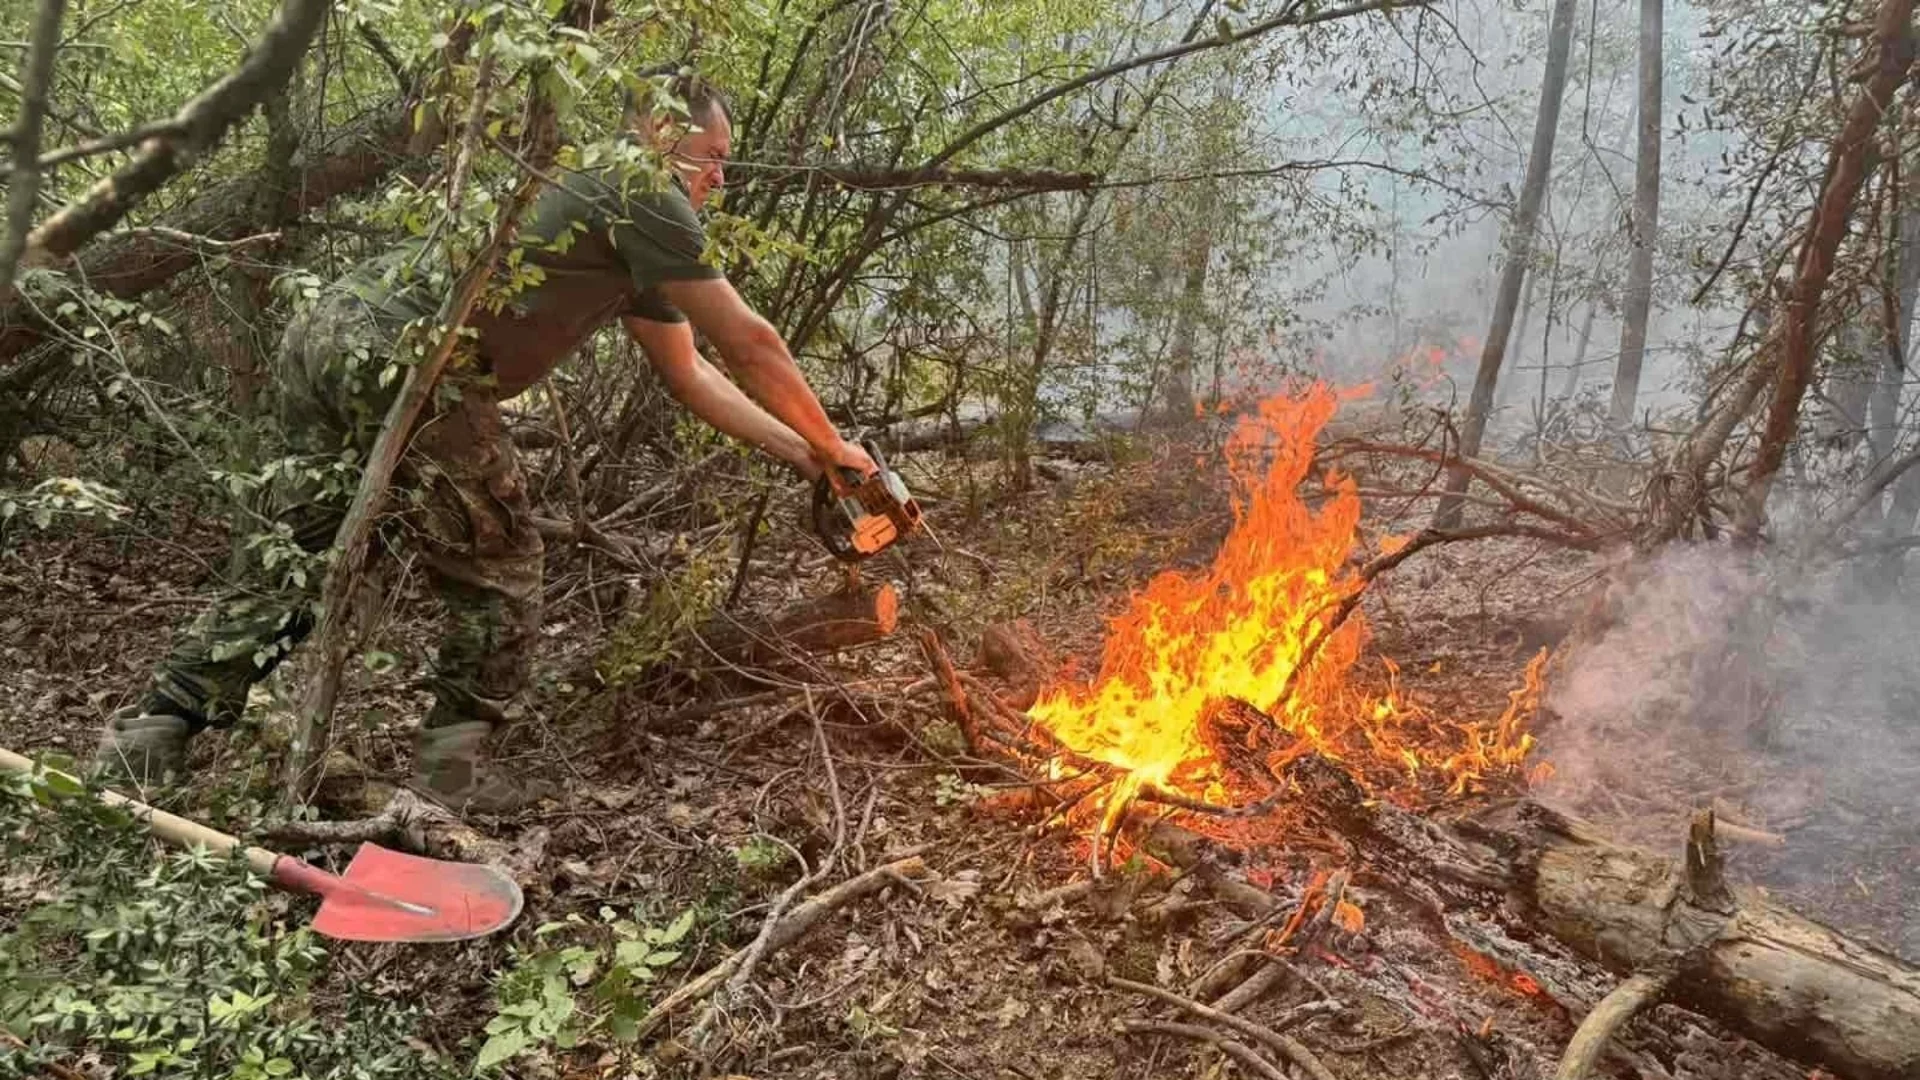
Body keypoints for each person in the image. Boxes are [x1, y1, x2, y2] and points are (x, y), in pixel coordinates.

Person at [93, 75, 876, 811]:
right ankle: (451, 776)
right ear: (661, 134)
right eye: (714, 158)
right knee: (499, 557)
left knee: (308, 550)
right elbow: (752, 343)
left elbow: (692, 375)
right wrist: (837, 438)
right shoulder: (642, 188)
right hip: (411, 355)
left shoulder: (602, 195)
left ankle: (154, 733)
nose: (719, 180)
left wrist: (813, 456)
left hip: (331, 333)